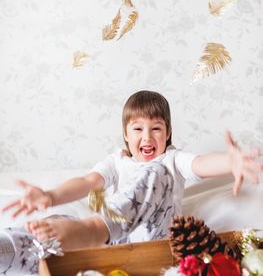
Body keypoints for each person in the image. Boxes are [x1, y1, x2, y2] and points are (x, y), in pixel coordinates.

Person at [1, 90, 262, 255]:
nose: (147, 137)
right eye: (138, 129)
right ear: (126, 134)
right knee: (52, 224)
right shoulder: (117, 161)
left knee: (156, 171)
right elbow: (87, 181)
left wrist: (231, 162)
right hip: (113, 242)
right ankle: (10, 246)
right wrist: (51, 195)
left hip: (153, 243)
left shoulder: (171, 160)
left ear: (168, 132)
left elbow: (201, 165)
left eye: (156, 129)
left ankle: (91, 229)